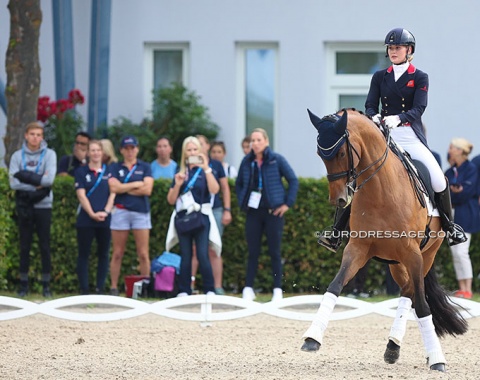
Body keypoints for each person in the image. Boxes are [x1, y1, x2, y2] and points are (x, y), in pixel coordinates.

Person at [318, 27, 467, 252]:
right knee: (356, 178)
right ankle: (336, 232)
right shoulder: (380, 76)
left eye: (397, 47)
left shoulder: (419, 77)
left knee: (438, 179)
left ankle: (449, 226)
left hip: (410, 136)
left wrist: (398, 118)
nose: (393, 51)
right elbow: (370, 103)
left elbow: (419, 108)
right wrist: (373, 116)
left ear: (409, 50)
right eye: (390, 47)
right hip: (384, 136)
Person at [235, 128, 298, 301]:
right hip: (253, 212)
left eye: (258, 140)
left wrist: (287, 204)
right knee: (253, 251)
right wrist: (243, 200)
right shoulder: (247, 162)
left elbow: (293, 180)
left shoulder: (276, 160)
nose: (254, 144)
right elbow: (239, 183)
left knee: (274, 252)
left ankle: (277, 289)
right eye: (252, 141)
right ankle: (248, 288)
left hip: (274, 213)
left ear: (266, 141)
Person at [166, 136, 220, 296]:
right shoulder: (180, 171)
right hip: (183, 217)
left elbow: (215, 190)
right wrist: (177, 183)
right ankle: (184, 289)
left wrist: (206, 168)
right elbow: (170, 199)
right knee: (186, 255)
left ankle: (209, 289)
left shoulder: (205, 171)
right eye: (189, 150)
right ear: (184, 153)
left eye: (195, 149)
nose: (192, 152)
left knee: (203, 254)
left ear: (200, 151)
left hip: (201, 216)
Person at [8, 121, 57, 297]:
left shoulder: (49, 155)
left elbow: (49, 181)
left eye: (39, 134)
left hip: (44, 205)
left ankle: (46, 285)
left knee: (44, 245)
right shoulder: (17, 156)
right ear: (26, 135)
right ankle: (23, 284)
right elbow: (13, 183)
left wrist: (24, 176)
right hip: (24, 205)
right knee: (24, 245)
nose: (35, 138)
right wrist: (37, 181)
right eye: (32, 134)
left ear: (42, 137)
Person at [108, 136, 154, 296]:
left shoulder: (145, 167)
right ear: (121, 150)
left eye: (132, 148)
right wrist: (136, 184)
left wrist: (123, 187)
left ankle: (146, 286)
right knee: (117, 252)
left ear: (137, 149)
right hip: (120, 211)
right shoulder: (114, 167)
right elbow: (114, 188)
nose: (130, 151)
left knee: (143, 253)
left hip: (140, 212)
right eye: (126, 148)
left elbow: (147, 190)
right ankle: (114, 287)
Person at [190, 135, 231, 295]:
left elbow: (225, 188)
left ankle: (217, 286)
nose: (199, 146)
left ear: (207, 146)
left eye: (202, 143)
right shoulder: (191, 163)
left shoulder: (215, 164)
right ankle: (190, 284)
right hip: (195, 210)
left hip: (214, 210)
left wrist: (227, 210)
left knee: (214, 248)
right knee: (194, 249)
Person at [75, 140, 116, 295]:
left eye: (98, 150)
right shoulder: (81, 172)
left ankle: (100, 288)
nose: (95, 153)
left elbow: (113, 192)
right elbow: (81, 195)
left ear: (102, 152)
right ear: (88, 153)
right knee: (84, 253)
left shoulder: (109, 171)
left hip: (105, 219)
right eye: (92, 150)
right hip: (86, 219)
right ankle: (84, 289)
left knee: (103, 254)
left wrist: (106, 211)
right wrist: (92, 213)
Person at [444, 138, 480, 299]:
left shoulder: (471, 168)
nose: (450, 149)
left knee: (462, 252)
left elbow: (467, 192)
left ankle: (468, 288)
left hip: (466, 214)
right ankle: (461, 287)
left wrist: (456, 192)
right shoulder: (450, 171)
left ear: (460, 150)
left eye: (452, 147)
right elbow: (445, 193)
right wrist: (455, 190)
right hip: (452, 216)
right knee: (455, 252)